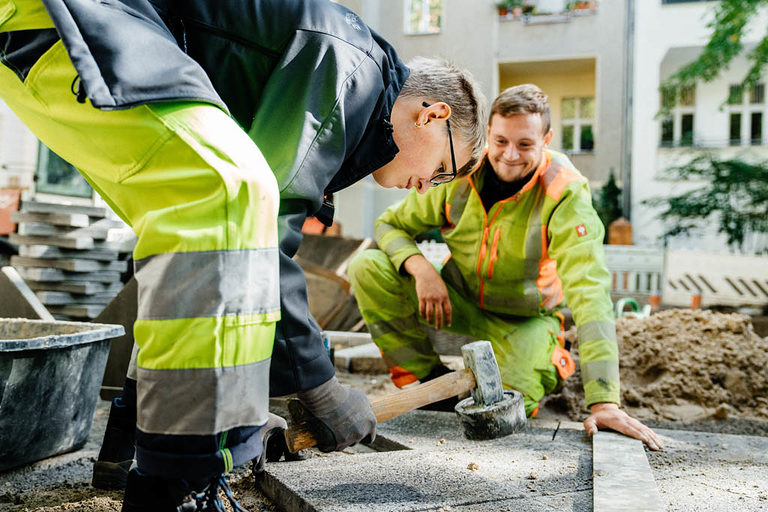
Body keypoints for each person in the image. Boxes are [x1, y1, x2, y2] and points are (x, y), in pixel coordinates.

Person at [0, 0, 487, 510]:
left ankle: (130, 447)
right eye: (444, 171)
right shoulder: (351, 68)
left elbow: (229, 269)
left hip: (63, 33)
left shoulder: (351, 83)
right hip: (80, 24)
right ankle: (180, 481)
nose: (425, 188)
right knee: (235, 198)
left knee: (194, 243)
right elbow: (264, 236)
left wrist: (245, 405)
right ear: (434, 116)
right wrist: (319, 389)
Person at [348, 84, 663, 451]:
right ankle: (429, 384)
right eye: (499, 142)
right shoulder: (462, 169)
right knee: (367, 265)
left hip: (525, 322)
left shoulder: (565, 192)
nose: (509, 155)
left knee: (512, 405)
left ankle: (517, 374)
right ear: (489, 135)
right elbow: (390, 224)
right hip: (459, 305)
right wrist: (420, 268)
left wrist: (604, 401)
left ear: (546, 138)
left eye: (525, 144)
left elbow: (589, 292)